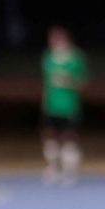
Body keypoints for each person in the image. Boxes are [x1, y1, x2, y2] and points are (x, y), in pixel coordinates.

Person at [39, 26, 88, 186]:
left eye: (57, 38)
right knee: (49, 136)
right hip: (51, 105)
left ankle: (70, 171)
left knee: (69, 138)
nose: (53, 41)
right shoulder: (48, 58)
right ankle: (53, 168)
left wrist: (68, 81)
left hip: (69, 105)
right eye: (51, 38)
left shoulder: (76, 58)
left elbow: (82, 82)